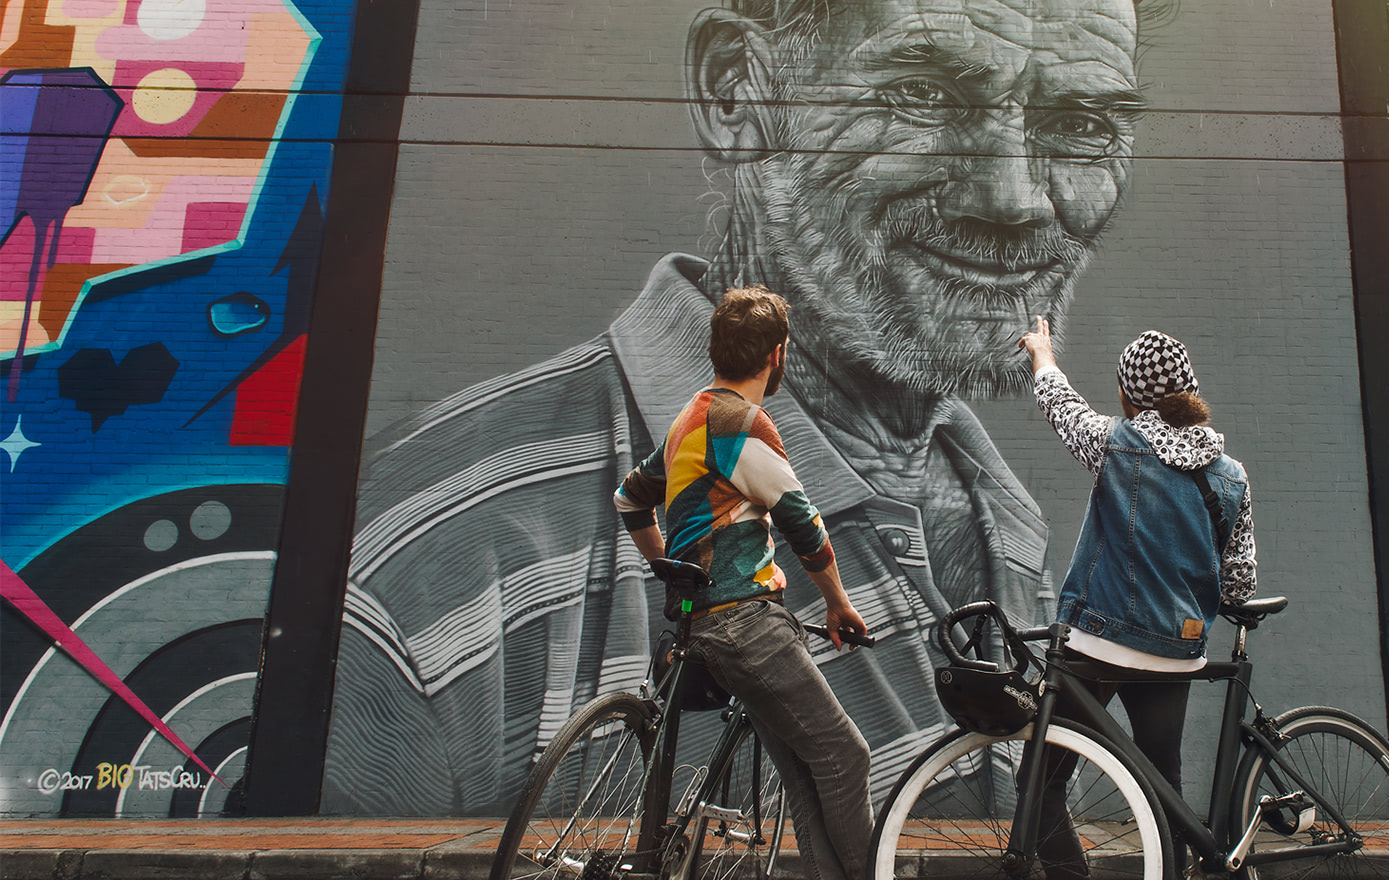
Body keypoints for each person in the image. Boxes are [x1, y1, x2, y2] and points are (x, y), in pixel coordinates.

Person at [326, 0, 1160, 815]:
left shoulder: (1001, 509)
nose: (1014, 197)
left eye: (1083, 123)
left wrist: (670, 573)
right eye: (923, 96)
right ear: (738, 92)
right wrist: (819, 598)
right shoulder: (435, 569)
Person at [614, 286, 873, 880]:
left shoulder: (693, 418)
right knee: (846, 756)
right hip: (746, 623)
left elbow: (630, 499)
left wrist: (667, 569)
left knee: (810, 774)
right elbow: (804, 525)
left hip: (700, 623)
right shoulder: (744, 424)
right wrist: (838, 603)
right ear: (777, 354)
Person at [1018, 316, 1256, 874]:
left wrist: (1042, 353)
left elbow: (1060, 404)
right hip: (1176, 652)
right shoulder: (1231, 476)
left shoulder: (1113, 445)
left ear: (1126, 395)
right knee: (1162, 791)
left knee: (1041, 783)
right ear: (1191, 392)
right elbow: (1239, 584)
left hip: (1097, 643)